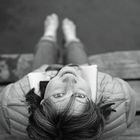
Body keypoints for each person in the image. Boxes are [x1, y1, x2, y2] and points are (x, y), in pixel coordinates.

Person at [0, 13, 136, 140]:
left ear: (42, 104)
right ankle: (71, 39)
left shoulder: (12, 107)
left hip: (44, 80)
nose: (70, 80)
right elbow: (126, 95)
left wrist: (39, 73)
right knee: (80, 66)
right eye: (81, 96)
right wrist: (94, 78)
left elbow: (7, 98)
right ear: (94, 105)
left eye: (58, 95)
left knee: (42, 63)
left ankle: (49, 35)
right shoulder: (120, 101)